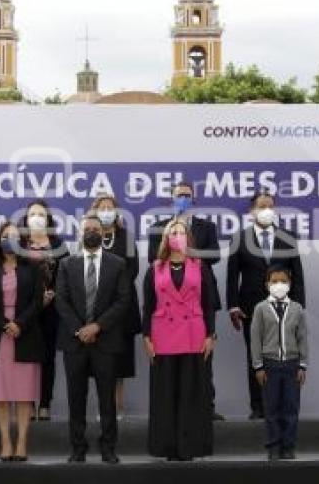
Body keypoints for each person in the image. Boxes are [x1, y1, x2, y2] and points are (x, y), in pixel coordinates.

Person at [55, 214, 130, 464]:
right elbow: (61, 301)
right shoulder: (67, 264)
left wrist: (97, 326)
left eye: (95, 229)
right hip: (75, 341)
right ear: (80, 233)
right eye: (86, 228)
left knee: (107, 399)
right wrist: (80, 329)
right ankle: (78, 448)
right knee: (76, 398)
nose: (91, 232)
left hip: (106, 340)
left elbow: (123, 300)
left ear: (104, 233)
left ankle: (108, 448)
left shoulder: (117, 264)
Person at [147, 181, 223, 420]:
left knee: (203, 358)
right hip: (168, 302)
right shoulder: (158, 228)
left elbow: (215, 255)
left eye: (187, 195)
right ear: (171, 199)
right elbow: (153, 258)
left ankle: (206, 408)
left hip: (200, 296)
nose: (183, 199)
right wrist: (173, 249)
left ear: (194, 199)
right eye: (179, 195)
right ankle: (173, 411)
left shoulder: (206, 226)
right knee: (170, 366)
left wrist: (187, 251)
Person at [227, 191, 305, 419]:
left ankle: (281, 405)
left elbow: (297, 274)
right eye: (262, 206)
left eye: (270, 206)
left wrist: (300, 307)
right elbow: (232, 276)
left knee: (285, 354)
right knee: (256, 356)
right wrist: (232, 305)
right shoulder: (239, 238)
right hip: (250, 306)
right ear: (252, 212)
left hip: (285, 308)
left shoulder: (288, 237)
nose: (267, 211)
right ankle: (258, 406)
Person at [143, 219, 214, 461]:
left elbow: (209, 304)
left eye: (181, 232)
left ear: (189, 237)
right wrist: (146, 338)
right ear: (165, 237)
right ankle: (168, 448)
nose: (177, 235)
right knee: (166, 395)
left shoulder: (199, 266)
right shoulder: (155, 268)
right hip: (162, 335)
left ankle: (190, 447)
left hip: (194, 334)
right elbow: (148, 306)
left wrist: (210, 335)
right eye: (173, 232)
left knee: (191, 394)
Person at [0, 222, 44, 461]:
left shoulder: (33, 269)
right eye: (6, 236)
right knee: (2, 394)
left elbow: (38, 301)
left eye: (15, 237)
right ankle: (6, 442)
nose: (10, 240)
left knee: (24, 394)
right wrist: (4, 324)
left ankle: (22, 443)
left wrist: (19, 324)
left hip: (25, 335)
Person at [18, 199, 68, 421]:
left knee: (47, 358)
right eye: (32, 214)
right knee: (27, 358)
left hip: (51, 309)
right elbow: (13, 273)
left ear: (47, 219)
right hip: (25, 310)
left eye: (41, 214)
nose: (36, 218)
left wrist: (52, 294)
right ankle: (27, 403)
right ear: (26, 219)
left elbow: (66, 274)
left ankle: (45, 403)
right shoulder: (19, 243)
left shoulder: (58, 244)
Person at [251, 266, 307, 460]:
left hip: (292, 365)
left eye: (283, 281)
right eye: (274, 281)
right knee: (272, 408)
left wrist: (302, 365)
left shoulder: (297, 308)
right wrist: (258, 366)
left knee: (291, 408)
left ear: (290, 284)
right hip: (270, 365)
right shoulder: (260, 309)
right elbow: (255, 339)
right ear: (267, 285)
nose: (279, 285)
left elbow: (302, 338)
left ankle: (288, 446)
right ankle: (273, 446)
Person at [91, 194, 140, 419]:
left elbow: (133, 270)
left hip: (123, 307)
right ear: (95, 211)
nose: (106, 211)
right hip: (97, 308)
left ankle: (118, 407)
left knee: (119, 361)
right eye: (102, 208)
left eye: (110, 207)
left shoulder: (127, 238)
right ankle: (104, 408)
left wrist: (115, 292)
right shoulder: (90, 236)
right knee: (101, 362)